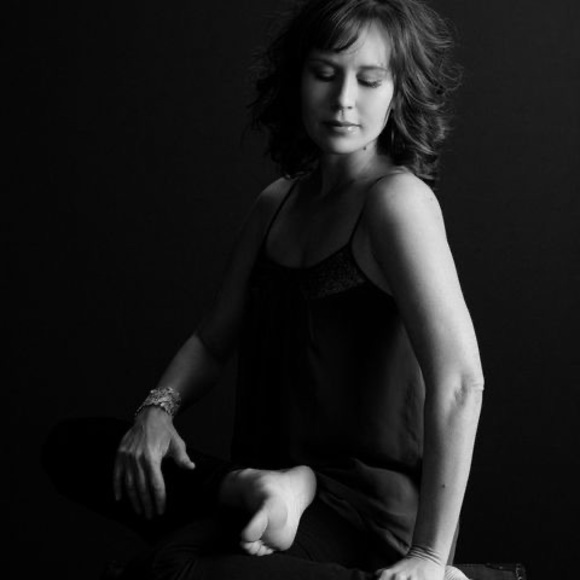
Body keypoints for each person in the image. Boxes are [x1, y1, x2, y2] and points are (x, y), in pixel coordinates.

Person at [43, 1, 484, 579]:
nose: (343, 99)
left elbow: (460, 381)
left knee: (173, 567)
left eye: (370, 80)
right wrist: (157, 411)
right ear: (297, 78)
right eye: (324, 74)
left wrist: (428, 557)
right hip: (267, 490)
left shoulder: (398, 202)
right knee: (75, 446)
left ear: (398, 91)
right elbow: (211, 340)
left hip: (361, 512)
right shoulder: (278, 202)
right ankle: (250, 487)